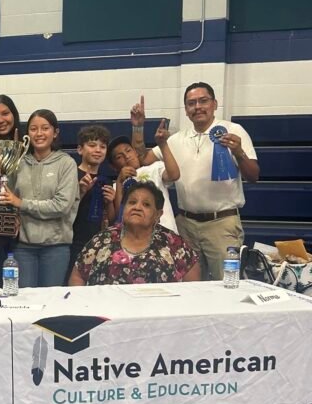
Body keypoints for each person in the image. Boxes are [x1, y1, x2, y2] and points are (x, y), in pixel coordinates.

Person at [133, 86, 260, 280]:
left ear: (214, 104)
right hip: (186, 225)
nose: (197, 107)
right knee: (187, 286)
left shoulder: (233, 130)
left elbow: (253, 176)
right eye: (191, 103)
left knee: (227, 284)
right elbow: (142, 159)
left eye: (203, 101)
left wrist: (239, 152)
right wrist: (138, 127)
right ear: (185, 110)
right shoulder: (175, 139)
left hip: (222, 224)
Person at [0, 110, 79, 287]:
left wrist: (21, 204)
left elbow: (61, 206)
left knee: (50, 301)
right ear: (27, 134)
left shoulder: (67, 164)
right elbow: (7, 199)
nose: (39, 133)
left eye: (45, 128)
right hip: (23, 248)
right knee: (24, 301)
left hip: (56, 247)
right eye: (33, 129)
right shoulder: (17, 162)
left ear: (55, 132)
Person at [69, 181, 200, 286]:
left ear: (158, 214)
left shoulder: (174, 243)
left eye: (146, 204)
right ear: (123, 208)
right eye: (132, 202)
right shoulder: (102, 239)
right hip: (107, 315)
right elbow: (78, 276)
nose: (137, 207)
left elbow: (193, 286)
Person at [109, 115, 180, 232]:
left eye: (128, 150)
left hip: (165, 232)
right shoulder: (117, 185)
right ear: (113, 166)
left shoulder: (154, 168)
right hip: (135, 238)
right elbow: (119, 215)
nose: (126, 156)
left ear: (135, 152)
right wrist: (119, 181)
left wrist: (163, 145)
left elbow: (174, 175)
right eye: (119, 157)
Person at [69, 124, 116, 271]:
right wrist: (80, 191)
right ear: (80, 149)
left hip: (97, 242)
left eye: (102, 147)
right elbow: (64, 210)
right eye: (92, 145)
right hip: (72, 241)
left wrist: (109, 203)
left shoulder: (106, 180)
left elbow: (112, 220)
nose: (97, 150)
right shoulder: (70, 175)